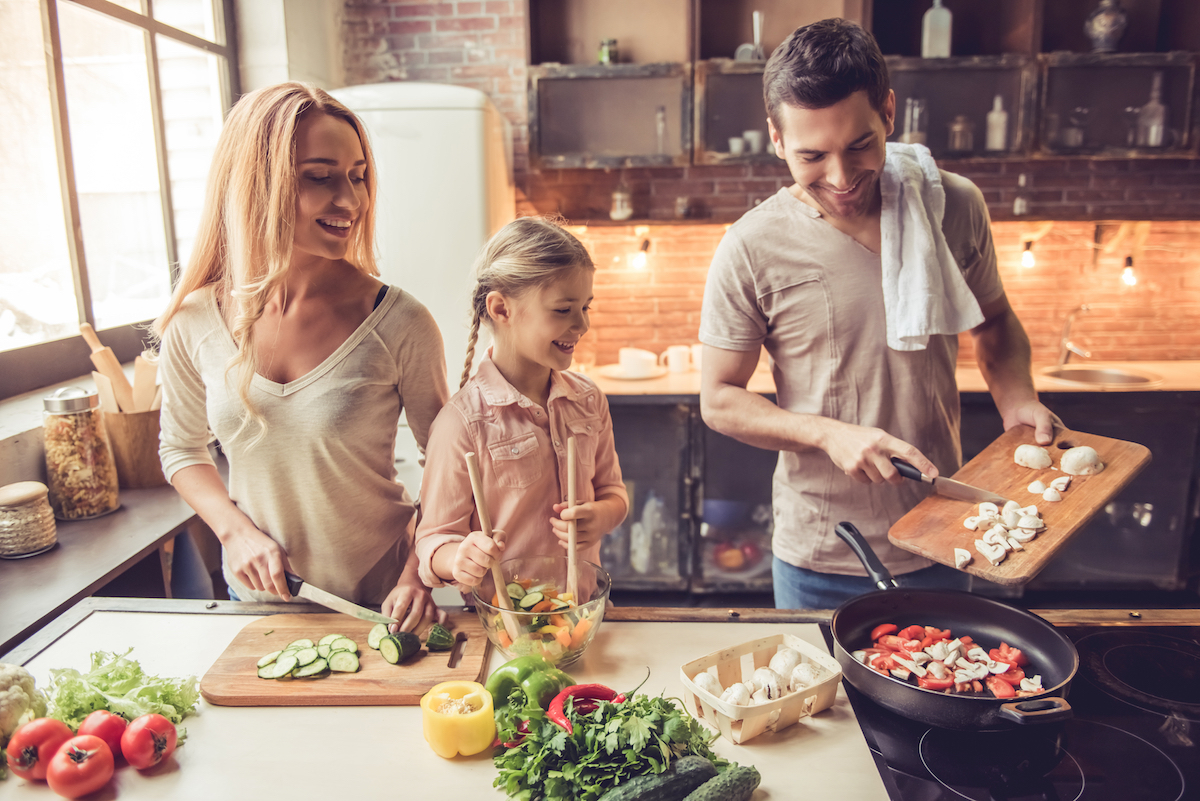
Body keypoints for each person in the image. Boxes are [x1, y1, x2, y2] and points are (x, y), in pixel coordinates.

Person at [698, 19, 1060, 610]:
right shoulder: (751, 245)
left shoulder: (953, 205)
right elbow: (719, 398)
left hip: (945, 533)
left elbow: (992, 320)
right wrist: (826, 433)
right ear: (776, 139)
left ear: (889, 112)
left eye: (860, 145)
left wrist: (1016, 400)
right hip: (820, 549)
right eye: (812, 155)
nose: (841, 178)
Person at [156, 82, 449, 630]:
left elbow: (449, 466)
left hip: (384, 602)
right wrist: (234, 531)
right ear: (256, 185)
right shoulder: (194, 319)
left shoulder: (401, 321)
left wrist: (418, 574)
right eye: (319, 178)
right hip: (259, 602)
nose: (352, 201)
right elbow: (181, 449)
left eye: (358, 176)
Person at [415, 217, 628, 594]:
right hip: (506, 627)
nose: (582, 324)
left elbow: (614, 492)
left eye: (585, 307)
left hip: (582, 613)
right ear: (501, 309)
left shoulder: (589, 400)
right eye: (563, 310)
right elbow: (432, 541)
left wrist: (602, 516)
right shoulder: (461, 424)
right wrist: (458, 557)